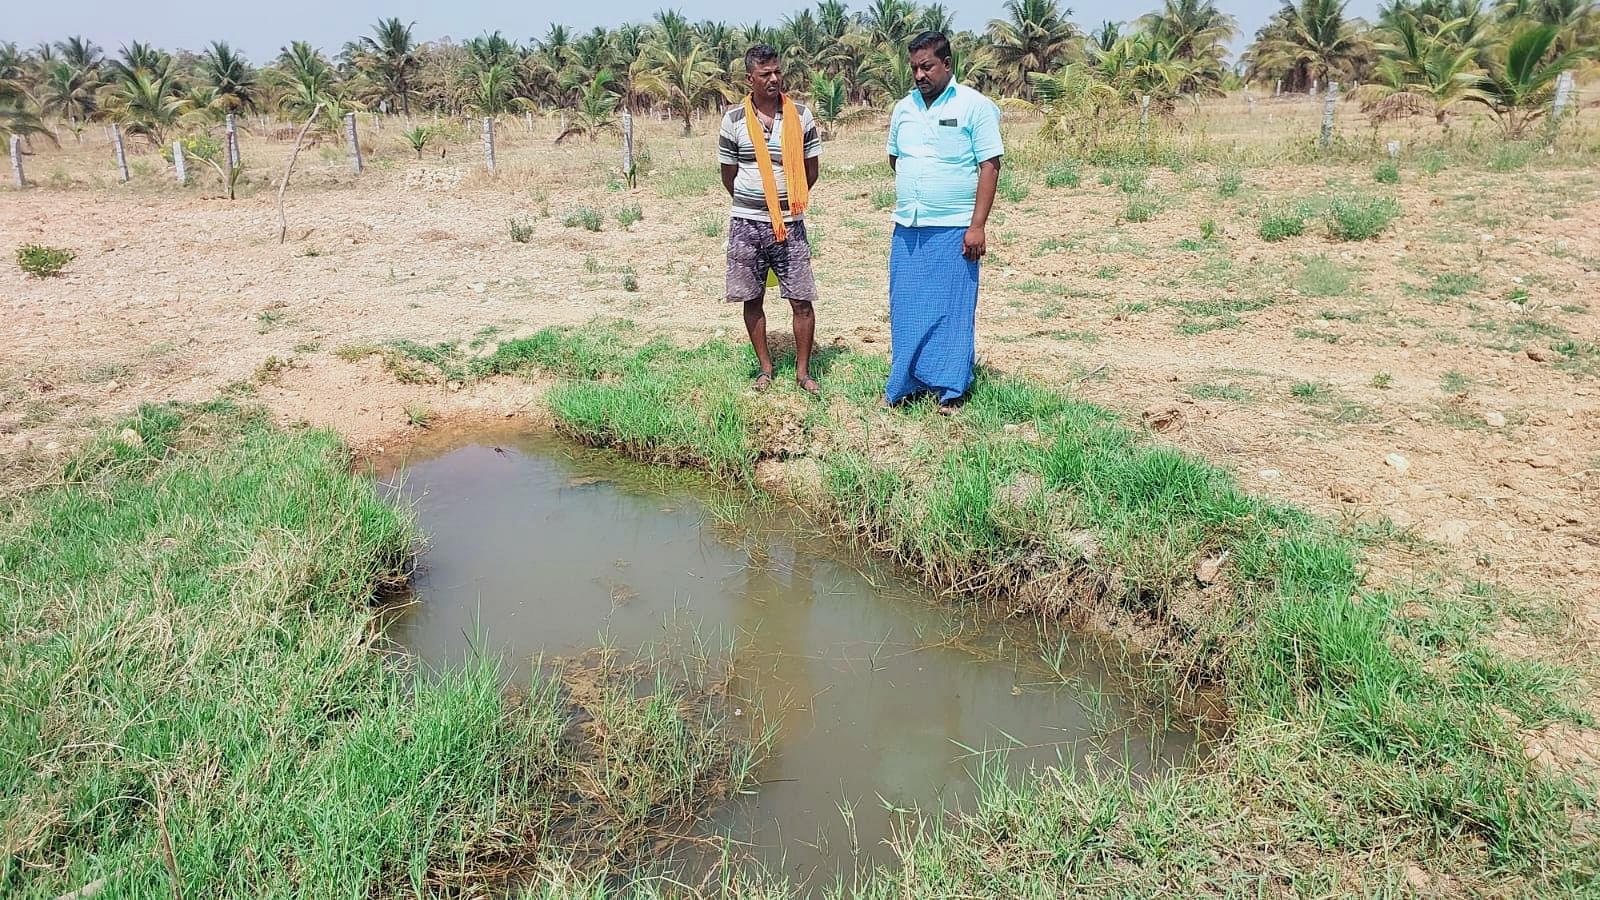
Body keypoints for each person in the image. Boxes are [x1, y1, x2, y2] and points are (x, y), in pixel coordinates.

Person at [884, 31, 1003, 412]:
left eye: (927, 66)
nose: (919, 75)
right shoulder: (903, 108)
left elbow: (989, 166)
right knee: (906, 307)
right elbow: (895, 159)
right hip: (909, 225)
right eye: (914, 68)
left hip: (955, 227)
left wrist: (977, 225)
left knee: (952, 309)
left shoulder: (975, 106)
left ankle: (951, 388)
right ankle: (907, 383)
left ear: (947, 65)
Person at [718, 44, 824, 395]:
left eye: (777, 72)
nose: (774, 79)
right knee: (752, 298)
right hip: (746, 224)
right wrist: (757, 203)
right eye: (765, 74)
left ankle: (803, 372)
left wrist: (785, 203)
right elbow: (728, 175)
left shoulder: (801, 116)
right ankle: (765, 368)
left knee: (801, 300)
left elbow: (811, 171)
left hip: (790, 224)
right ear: (750, 79)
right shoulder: (732, 120)